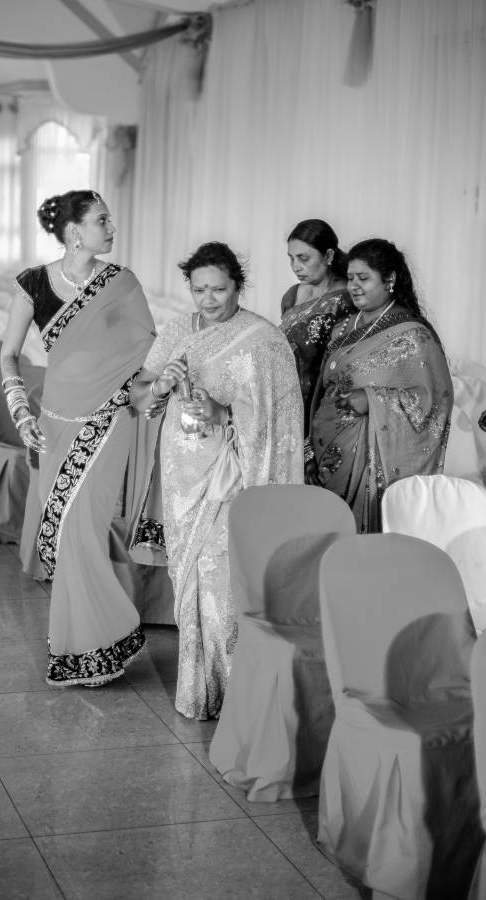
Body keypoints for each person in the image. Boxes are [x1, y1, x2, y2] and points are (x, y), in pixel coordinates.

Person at [130, 242, 304, 720]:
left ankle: (237, 696)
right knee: (187, 578)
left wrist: (223, 412)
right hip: (182, 476)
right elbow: (138, 397)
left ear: (238, 286)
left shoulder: (263, 341)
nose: (208, 300)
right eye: (199, 289)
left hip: (234, 477)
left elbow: (282, 418)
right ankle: (199, 689)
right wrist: (161, 385)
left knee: (221, 582)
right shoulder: (175, 330)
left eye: (219, 290)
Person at [0, 189, 156, 686]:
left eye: (110, 219)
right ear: (74, 232)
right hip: (53, 421)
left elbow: (142, 352)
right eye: (101, 220)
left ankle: (86, 647)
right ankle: (106, 634)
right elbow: (9, 355)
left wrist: (149, 390)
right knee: (66, 534)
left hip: (107, 420)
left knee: (81, 530)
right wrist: (20, 410)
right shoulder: (32, 284)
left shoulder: (120, 283)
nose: (111, 228)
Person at [308, 238, 453, 532]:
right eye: (350, 278)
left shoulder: (413, 335)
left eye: (363, 278)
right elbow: (321, 390)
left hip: (367, 462)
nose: (353, 286)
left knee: (362, 543)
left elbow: (434, 401)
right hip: (327, 452)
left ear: (389, 280)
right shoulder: (342, 328)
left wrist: (372, 399)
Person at [280, 220, 353, 477]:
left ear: (329, 256)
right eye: (291, 258)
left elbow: (343, 359)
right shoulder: (293, 295)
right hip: (287, 394)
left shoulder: (346, 299)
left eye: (303, 258)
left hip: (320, 397)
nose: (295, 267)